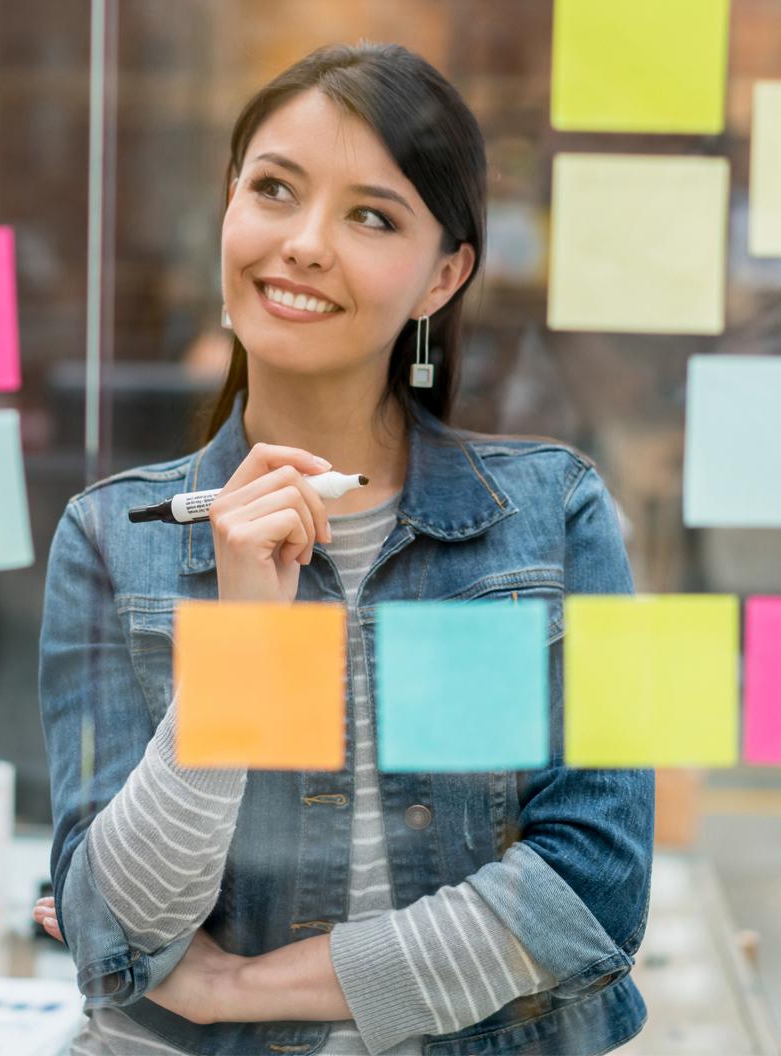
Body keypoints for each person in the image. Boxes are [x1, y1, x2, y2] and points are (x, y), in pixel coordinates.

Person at [33, 42, 653, 1056]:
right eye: (273, 189)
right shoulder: (113, 541)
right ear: (227, 210)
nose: (305, 243)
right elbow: (116, 932)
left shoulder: (556, 519)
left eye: (372, 216)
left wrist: (237, 990)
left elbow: (589, 895)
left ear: (441, 276)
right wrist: (242, 648)